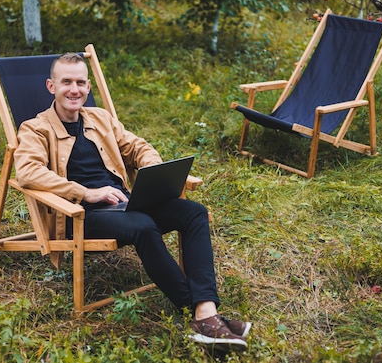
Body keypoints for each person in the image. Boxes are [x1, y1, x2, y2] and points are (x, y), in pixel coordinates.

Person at [14, 52, 251, 350]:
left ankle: (206, 311)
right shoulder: (35, 128)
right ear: (51, 86)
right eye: (66, 82)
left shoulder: (99, 118)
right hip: (82, 215)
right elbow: (27, 172)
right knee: (142, 224)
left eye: (80, 83)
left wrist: (153, 167)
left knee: (194, 213)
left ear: (88, 87)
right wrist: (86, 193)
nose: (74, 90)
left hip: (124, 204)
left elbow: (138, 146)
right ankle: (200, 315)